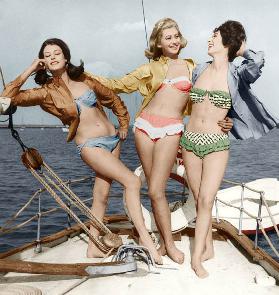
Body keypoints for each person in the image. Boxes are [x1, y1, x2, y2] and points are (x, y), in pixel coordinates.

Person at [0, 38, 163, 263]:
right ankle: (146, 239)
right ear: (43, 62)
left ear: (66, 57)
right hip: (90, 146)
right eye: (47, 55)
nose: (52, 57)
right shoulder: (45, 92)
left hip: (113, 140)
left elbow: (113, 99)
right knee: (132, 182)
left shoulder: (85, 80)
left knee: (101, 197)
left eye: (57, 52)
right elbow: (4, 99)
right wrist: (29, 69)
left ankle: (94, 247)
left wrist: (124, 124)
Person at [88, 18, 233, 264]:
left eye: (176, 36)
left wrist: (227, 118)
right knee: (154, 193)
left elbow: (214, 92)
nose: (174, 41)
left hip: (172, 128)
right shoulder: (150, 68)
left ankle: (170, 245)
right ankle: (166, 244)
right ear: (158, 42)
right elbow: (117, 85)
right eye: (168, 37)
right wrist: (80, 73)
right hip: (144, 126)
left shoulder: (193, 67)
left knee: (156, 189)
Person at [180, 20, 279, 278]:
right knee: (198, 197)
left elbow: (257, 63)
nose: (209, 39)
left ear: (227, 41)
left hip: (216, 144)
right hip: (189, 141)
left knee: (205, 199)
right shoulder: (199, 68)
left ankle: (196, 258)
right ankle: (209, 247)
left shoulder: (236, 73)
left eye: (215, 35)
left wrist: (242, 49)